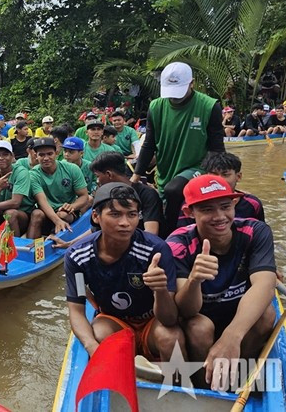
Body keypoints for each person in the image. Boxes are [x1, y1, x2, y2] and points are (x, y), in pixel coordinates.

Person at [168, 175, 277, 390]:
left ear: (234, 204)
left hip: (238, 315)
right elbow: (186, 310)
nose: (219, 217)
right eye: (207, 209)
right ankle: (206, 387)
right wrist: (194, 280)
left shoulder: (255, 231)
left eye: (225, 207)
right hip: (201, 317)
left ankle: (237, 379)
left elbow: (265, 285)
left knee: (266, 315)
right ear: (189, 213)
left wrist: (231, 336)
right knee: (200, 328)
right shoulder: (178, 244)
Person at [64, 183, 181, 360]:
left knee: (171, 338)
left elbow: (170, 318)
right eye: (115, 214)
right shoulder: (77, 256)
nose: (125, 223)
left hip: (153, 321)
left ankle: (173, 376)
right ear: (96, 216)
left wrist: (161, 289)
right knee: (99, 333)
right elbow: (77, 310)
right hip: (114, 320)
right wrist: (93, 347)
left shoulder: (155, 250)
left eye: (132, 215)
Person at [131, 62, 224, 237]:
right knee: (162, 193)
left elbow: (217, 148)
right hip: (166, 168)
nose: (174, 97)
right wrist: (136, 175)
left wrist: (216, 177)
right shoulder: (156, 107)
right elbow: (149, 143)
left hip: (198, 166)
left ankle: (172, 236)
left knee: (172, 190)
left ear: (192, 83)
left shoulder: (209, 106)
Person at [175, 151, 263, 228]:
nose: (219, 180)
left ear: (238, 176)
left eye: (225, 175)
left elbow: (260, 232)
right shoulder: (192, 204)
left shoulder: (253, 204)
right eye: (214, 174)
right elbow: (184, 233)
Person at [26, 138, 90, 238]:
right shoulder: (33, 174)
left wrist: (72, 206)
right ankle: (31, 245)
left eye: (49, 154)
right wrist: (57, 221)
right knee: (36, 214)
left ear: (56, 153)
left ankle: (57, 241)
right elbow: (42, 201)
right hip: (46, 211)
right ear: (36, 156)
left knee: (63, 214)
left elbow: (84, 196)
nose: (46, 158)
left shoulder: (72, 169)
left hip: (67, 212)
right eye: (41, 155)